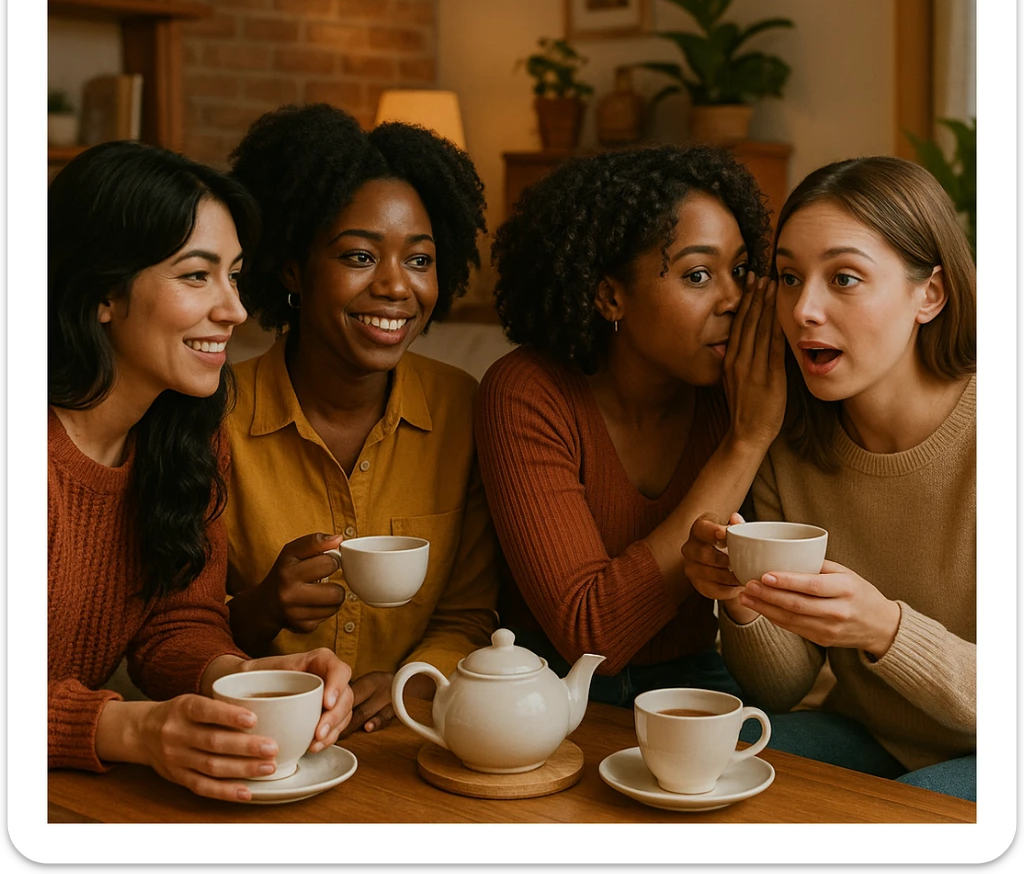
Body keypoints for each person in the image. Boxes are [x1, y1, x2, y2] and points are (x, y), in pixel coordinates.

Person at [48, 141, 355, 804]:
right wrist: (126, 728)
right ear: (103, 291)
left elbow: (174, 624)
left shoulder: (184, 432)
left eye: (235, 275)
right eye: (196, 276)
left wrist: (252, 681)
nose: (235, 310)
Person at [681, 156, 976, 801]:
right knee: (701, 770)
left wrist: (887, 630)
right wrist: (741, 597)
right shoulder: (792, 443)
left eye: (844, 278)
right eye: (789, 277)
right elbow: (782, 690)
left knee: (911, 810)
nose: (804, 310)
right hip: (869, 735)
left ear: (931, 293)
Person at [474, 144, 786, 706]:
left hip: (699, 685)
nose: (735, 299)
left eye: (739, 270)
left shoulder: (735, 390)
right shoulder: (526, 394)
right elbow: (591, 635)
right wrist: (746, 441)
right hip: (548, 698)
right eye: (698, 275)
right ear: (610, 296)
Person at [222, 104, 499, 734]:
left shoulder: (465, 411)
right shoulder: (217, 417)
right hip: (261, 736)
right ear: (292, 266)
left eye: (420, 260)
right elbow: (175, 630)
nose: (398, 287)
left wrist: (411, 683)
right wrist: (264, 609)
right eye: (358, 257)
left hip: (408, 735)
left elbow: (467, 615)